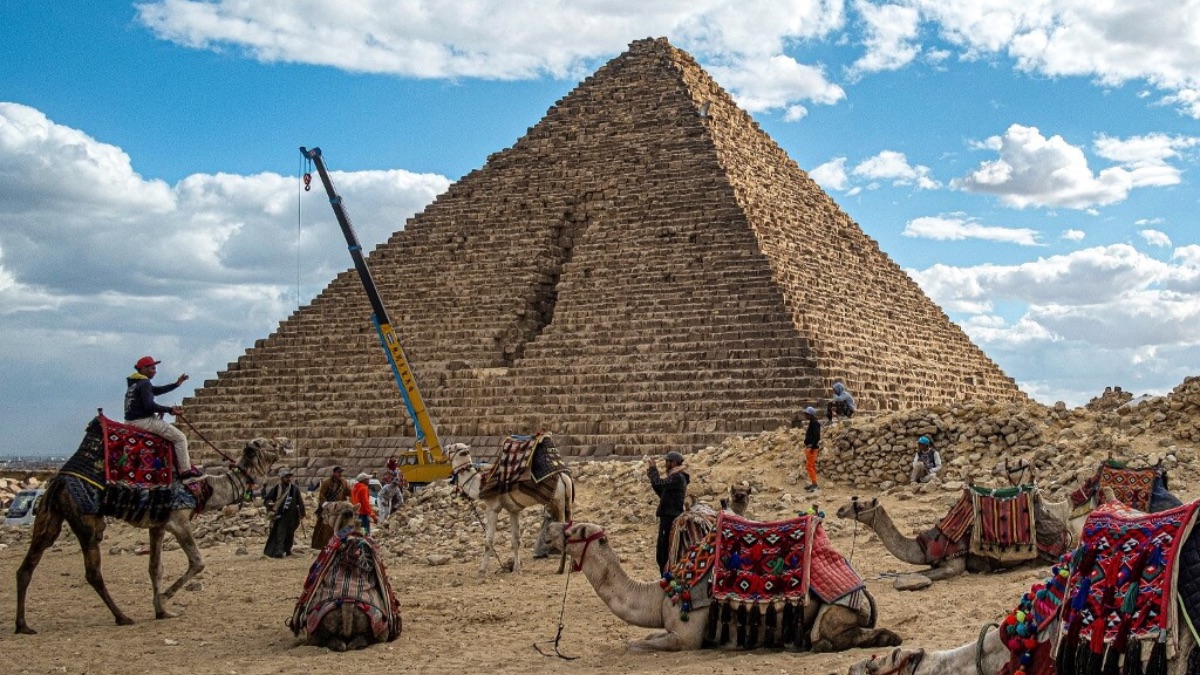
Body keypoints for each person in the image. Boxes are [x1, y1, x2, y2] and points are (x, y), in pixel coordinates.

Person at [124, 355, 196, 479]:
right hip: (143, 421)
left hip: (130, 421)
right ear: (144, 369)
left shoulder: (135, 383)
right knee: (180, 438)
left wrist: (176, 384)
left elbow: (155, 391)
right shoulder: (144, 383)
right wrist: (169, 410)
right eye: (152, 368)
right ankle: (186, 471)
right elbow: (149, 406)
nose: (155, 371)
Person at [647, 451, 690, 574]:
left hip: (669, 518)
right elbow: (662, 491)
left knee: (664, 553)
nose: (665, 464)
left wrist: (653, 469)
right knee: (662, 552)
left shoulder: (677, 477)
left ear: (674, 463)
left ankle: (665, 577)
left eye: (667, 462)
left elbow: (659, 484)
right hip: (668, 517)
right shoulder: (676, 476)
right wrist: (652, 476)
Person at [263, 468, 305, 558]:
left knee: (290, 534)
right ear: (281, 478)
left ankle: (287, 550)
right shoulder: (276, 488)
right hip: (281, 515)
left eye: (289, 477)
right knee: (280, 533)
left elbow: (299, 502)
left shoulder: (294, 489)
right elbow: (268, 499)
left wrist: (302, 513)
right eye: (286, 477)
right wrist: (270, 503)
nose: (289, 479)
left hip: (292, 516)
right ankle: (279, 551)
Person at [310, 465, 352, 549]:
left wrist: (354, 492)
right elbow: (322, 495)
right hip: (328, 507)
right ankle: (322, 545)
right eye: (339, 472)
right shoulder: (326, 483)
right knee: (324, 527)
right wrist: (326, 505)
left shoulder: (343, 482)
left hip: (339, 508)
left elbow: (348, 492)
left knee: (341, 525)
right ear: (334, 473)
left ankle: (339, 543)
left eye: (341, 472)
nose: (340, 474)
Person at [802, 406, 821, 492]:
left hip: (812, 448)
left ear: (811, 414)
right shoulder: (812, 422)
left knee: (809, 466)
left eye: (807, 414)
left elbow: (817, 437)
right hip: (810, 448)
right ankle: (814, 483)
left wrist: (812, 447)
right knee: (811, 466)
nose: (805, 415)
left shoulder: (815, 423)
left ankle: (815, 485)